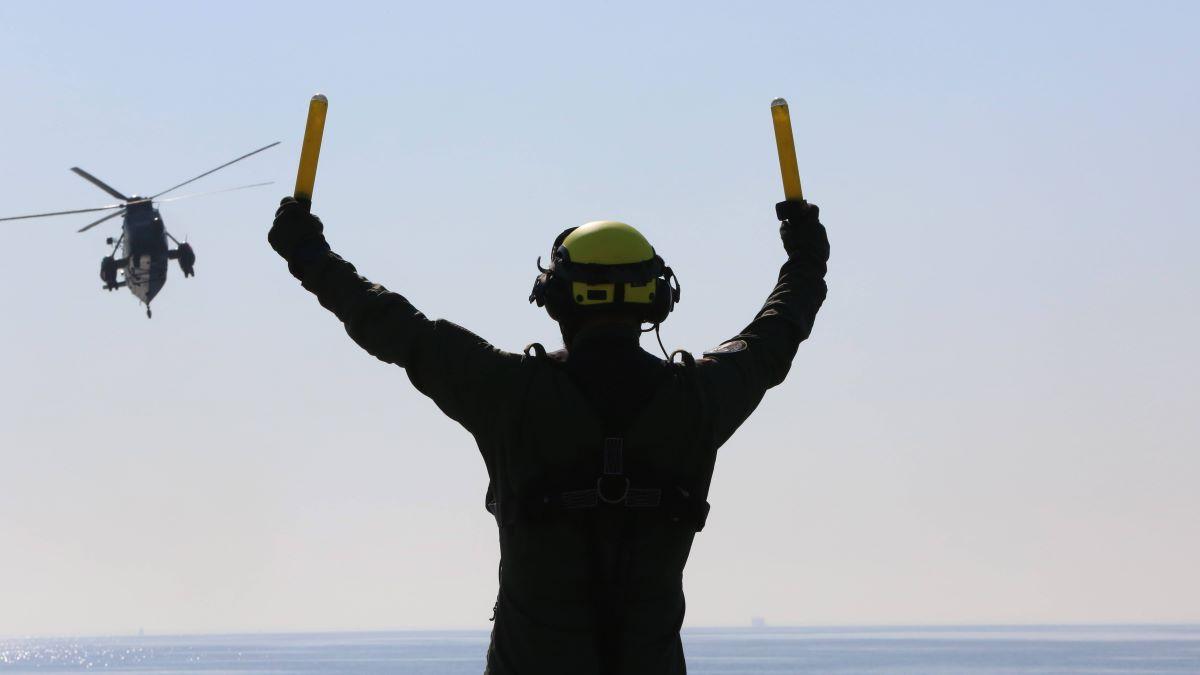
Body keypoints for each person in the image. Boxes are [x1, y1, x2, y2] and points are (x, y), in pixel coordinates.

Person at [269, 196, 829, 675]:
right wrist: (806, 257)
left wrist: (308, 255)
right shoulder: (702, 398)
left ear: (555, 299)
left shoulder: (505, 392)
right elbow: (778, 329)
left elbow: (392, 324)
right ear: (656, 300)